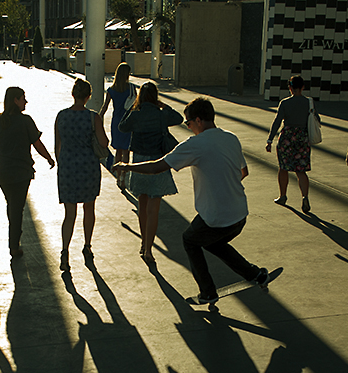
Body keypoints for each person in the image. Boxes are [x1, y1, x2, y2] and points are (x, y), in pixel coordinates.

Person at [114, 97, 268, 304]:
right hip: (240, 213)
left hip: (217, 217)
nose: (188, 127)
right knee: (214, 243)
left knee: (190, 240)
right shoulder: (231, 137)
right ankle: (255, 274)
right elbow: (244, 171)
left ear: (198, 120)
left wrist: (127, 166)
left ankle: (207, 292)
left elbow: (157, 167)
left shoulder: (196, 144)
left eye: (188, 123)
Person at [0, 87, 54, 258]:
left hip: (2, 172)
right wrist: (49, 158)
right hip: (21, 173)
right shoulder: (26, 121)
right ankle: (13, 246)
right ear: (15, 100)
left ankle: (13, 236)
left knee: (12, 204)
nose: (25, 102)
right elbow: (37, 143)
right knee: (17, 208)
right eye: (23, 98)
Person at [117, 81, 183, 263]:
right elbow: (179, 118)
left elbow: (122, 127)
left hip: (139, 161)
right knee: (154, 209)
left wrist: (132, 108)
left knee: (142, 206)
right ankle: (148, 249)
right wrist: (163, 106)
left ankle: (144, 243)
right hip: (158, 162)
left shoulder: (136, 114)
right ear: (155, 96)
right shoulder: (161, 114)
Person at [55, 78, 108, 271]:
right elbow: (103, 143)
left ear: (73, 94)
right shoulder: (93, 117)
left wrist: (62, 164)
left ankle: (64, 251)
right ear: (88, 97)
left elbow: (57, 146)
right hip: (88, 167)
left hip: (68, 167)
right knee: (89, 208)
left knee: (69, 214)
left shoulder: (61, 116)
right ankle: (87, 246)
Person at [265, 74, 320, 213]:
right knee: (301, 170)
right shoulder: (309, 102)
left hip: (287, 137)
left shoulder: (285, 103)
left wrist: (270, 139)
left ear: (290, 88)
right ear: (303, 87)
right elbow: (317, 119)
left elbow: (277, 121)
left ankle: (283, 196)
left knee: (283, 168)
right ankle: (305, 197)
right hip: (303, 137)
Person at [98, 61, 135, 165]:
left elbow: (105, 106)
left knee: (118, 150)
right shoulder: (131, 88)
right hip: (128, 120)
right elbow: (137, 104)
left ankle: (118, 174)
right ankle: (124, 173)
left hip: (117, 121)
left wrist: (98, 117)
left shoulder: (112, 90)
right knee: (126, 150)